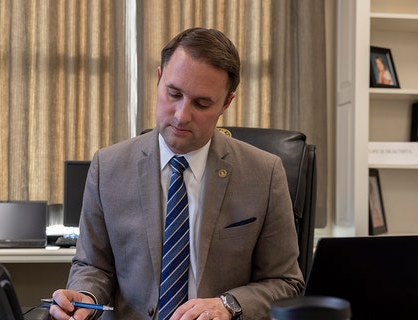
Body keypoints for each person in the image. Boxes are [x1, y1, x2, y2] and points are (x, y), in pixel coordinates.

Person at [50, 27, 304, 320]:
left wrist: (229, 305)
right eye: (173, 93)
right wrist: (86, 296)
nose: (182, 115)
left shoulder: (265, 174)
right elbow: (93, 266)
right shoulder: (108, 167)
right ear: (159, 79)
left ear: (226, 103)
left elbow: (286, 283)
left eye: (202, 103)